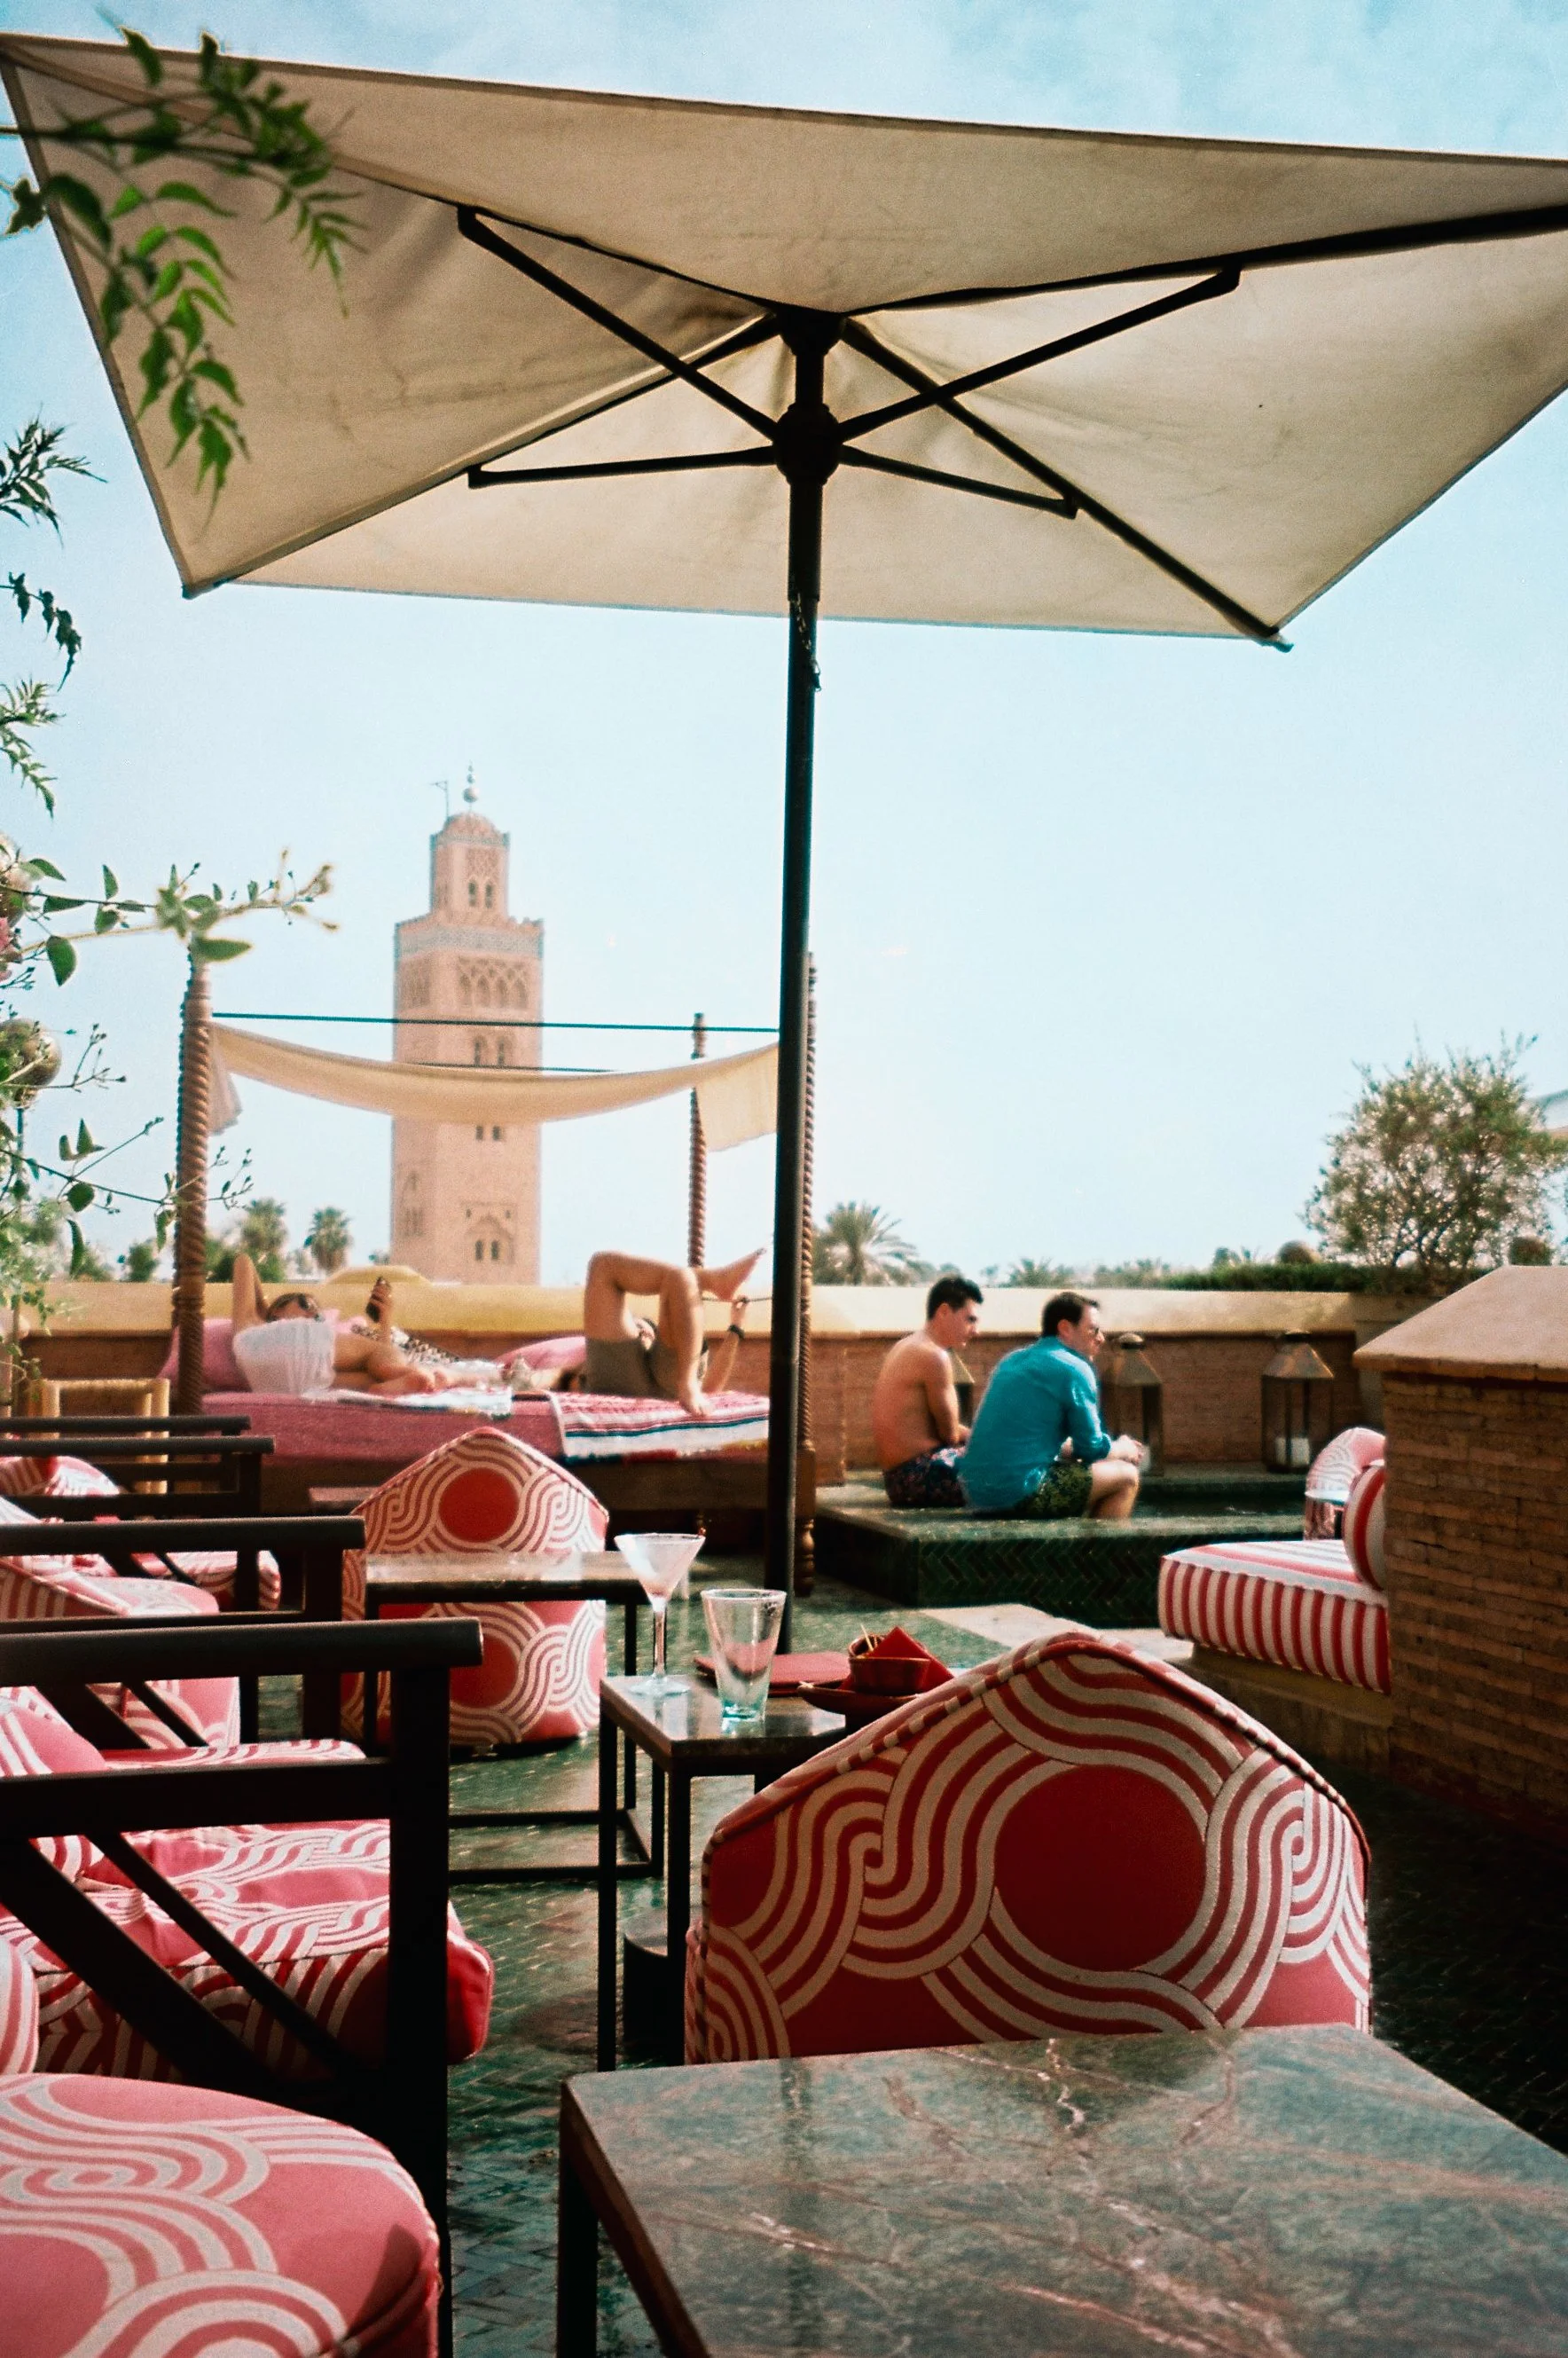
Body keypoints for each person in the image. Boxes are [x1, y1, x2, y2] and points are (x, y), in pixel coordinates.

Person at [960, 1290, 1143, 1520]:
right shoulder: (1075, 1368)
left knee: (1077, 1476)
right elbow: (1091, 1449)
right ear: (1065, 1328)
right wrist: (1125, 1448)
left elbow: (1031, 1439)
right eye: (1093, 1329)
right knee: (1126, 1477)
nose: (1101, 1338)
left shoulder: (1013, 1360)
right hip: (1019, 1493)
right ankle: (1097, 1555)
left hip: (975, 1492)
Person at [230, 1254, 455, 1396]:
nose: (312, 1314)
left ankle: (400, 1382)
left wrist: (384, 1322)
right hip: (297, 1362)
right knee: (379, 1355)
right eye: (306, 1304)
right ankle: (416, 1373)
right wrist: (265, 1306)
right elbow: (244, 1261)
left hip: (282, 1384)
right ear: (277, 1310)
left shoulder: (247, 1326)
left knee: (376, 1378)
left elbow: (243, 1260)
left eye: (318, 1316)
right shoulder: (256, 1323)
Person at [583, 1247, 761, 1416]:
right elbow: (559, 1371)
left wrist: (736, 1328)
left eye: (646, 1329)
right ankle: (713, 1280)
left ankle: (715, 1281)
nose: (642, 1331)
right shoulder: (589, 1356)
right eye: (638, 1327)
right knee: (601, 1263)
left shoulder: (672, 1359)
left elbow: (709, 1390)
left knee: (680, 1276)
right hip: (617, 1381)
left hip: (672, 1384)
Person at [872, 1275, 983, 1506]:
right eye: (969, 1319)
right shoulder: (934, 1356)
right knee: (1009, 1465)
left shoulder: (907, 1345)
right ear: (943, 1311)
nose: (975, 1331)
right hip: (919, 1478)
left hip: (898, 1480)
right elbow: (950, 1435)